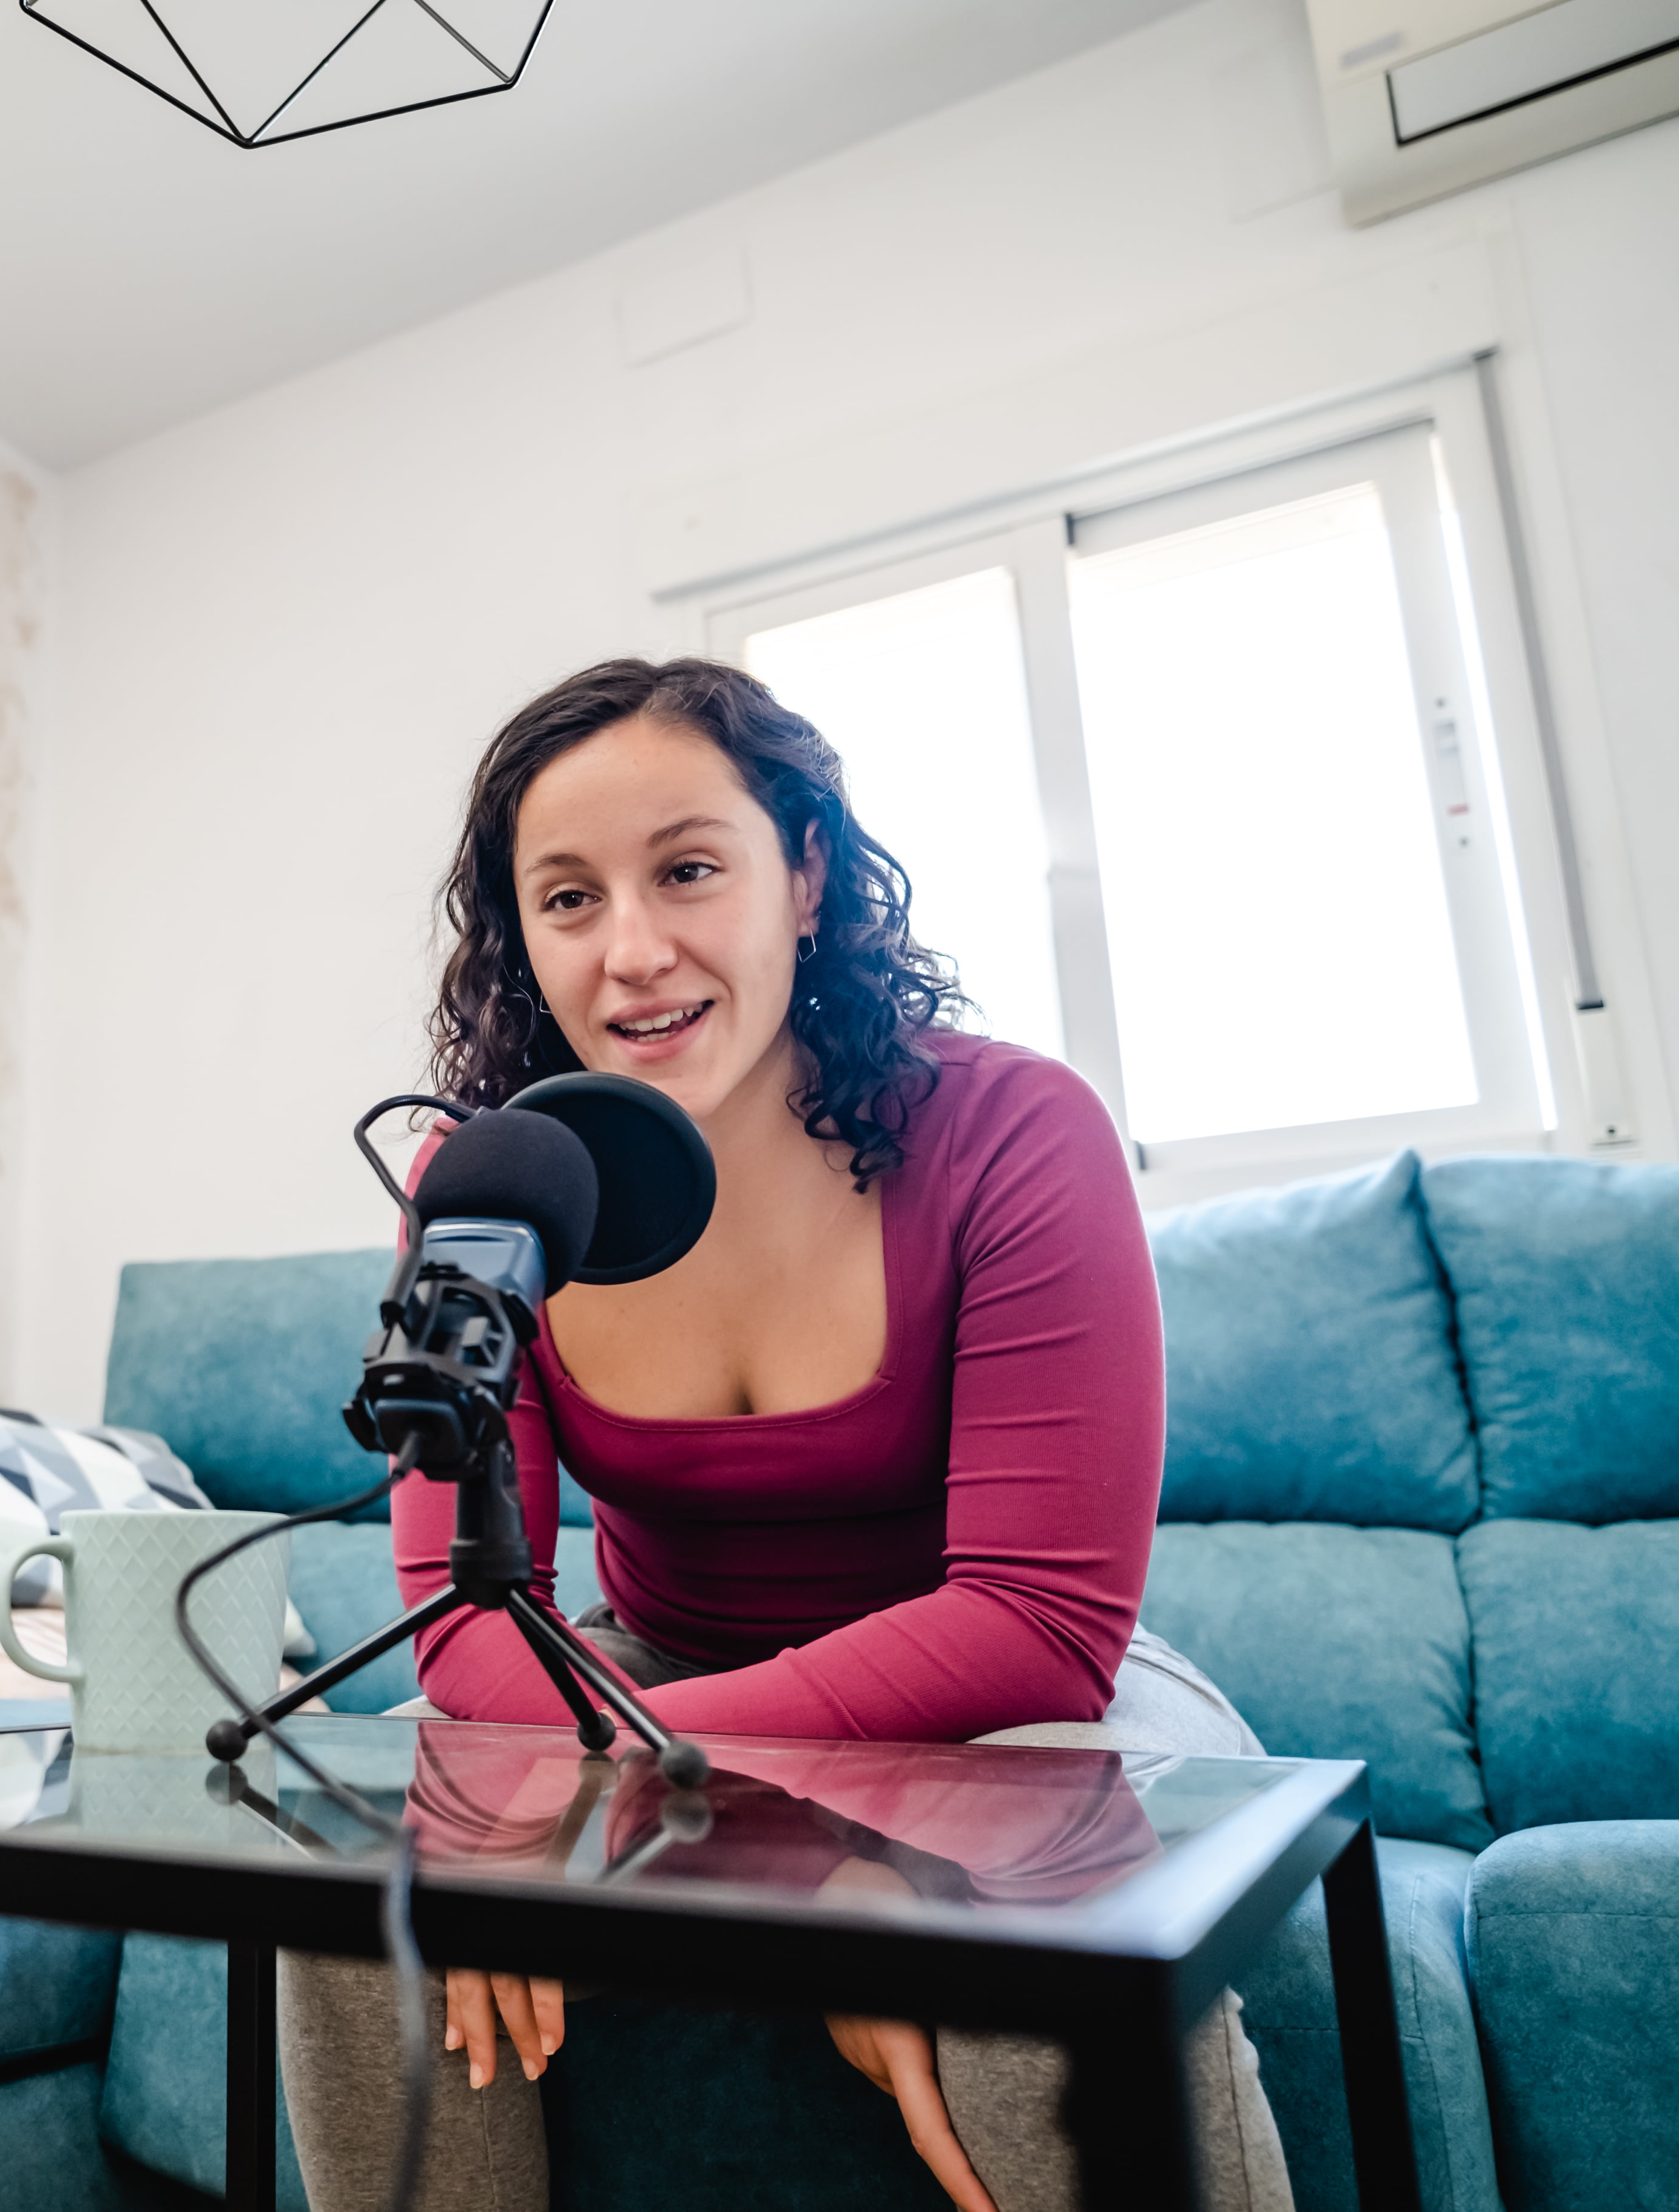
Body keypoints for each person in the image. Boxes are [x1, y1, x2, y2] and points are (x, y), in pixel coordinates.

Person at [275, 659, 1293, 2212]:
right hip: (641, 1688)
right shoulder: (492, 1190)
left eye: (687, 869)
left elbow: (1033, 1624)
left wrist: (732, 1812)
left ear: (805, 872)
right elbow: (470, 1617)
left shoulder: (1015, 1129)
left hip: (1003, 1707)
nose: (630, 952)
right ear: (518, 937)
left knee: (1043, 1931)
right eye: (565, 898)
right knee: (359, 1894)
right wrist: (800, 1854)